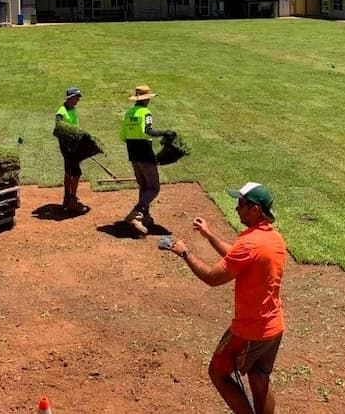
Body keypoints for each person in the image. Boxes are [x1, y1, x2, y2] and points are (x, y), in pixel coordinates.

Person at [166, 182, 286, 414]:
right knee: (259, 376)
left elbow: (212, 278)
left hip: (249, 330)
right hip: (273, 327)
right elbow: (238, 258)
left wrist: (185, 252)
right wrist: (209, 235)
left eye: (240, 205)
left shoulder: (250, 244)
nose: (236, 209)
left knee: (218, 373)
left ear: (254, 209)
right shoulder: (273, 239)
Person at [119, 83, 174, 235]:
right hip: (144, 153)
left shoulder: (129, 113)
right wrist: (165, 132)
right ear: (146, 99)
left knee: (144, 186)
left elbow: (122, 136)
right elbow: (148, 131)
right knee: (154, 187)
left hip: (132, 153)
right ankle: (135, 214)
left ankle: (145, 216)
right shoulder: (146, 113)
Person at [55, 86, 89, 214]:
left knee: (69, 172)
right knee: (76, 173)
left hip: (74, 146)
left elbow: (75, 127)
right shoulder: (61, 112)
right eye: (76, 98)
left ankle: (67, 198)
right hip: (68, 147)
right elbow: (58, 130)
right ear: (70, 98)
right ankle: (72, 201)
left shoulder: (73, 109)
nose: (78, 100)